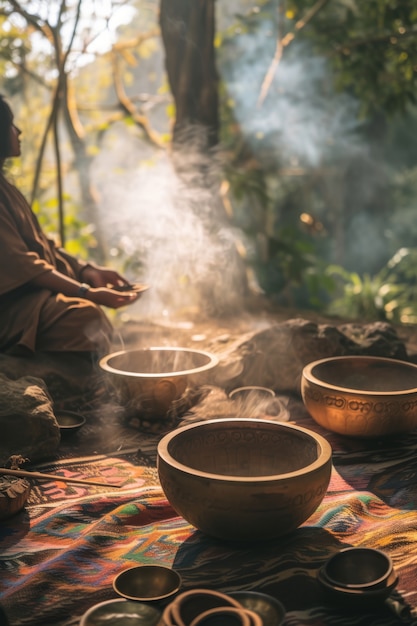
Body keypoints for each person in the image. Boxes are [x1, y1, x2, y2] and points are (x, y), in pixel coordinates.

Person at [0, 94, 141, 358]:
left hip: (33, 300)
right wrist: (88, 293)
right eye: (10, 125)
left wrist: (86, 269)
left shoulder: (7, 189)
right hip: (10, 310)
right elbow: (22, 264)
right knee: (87, 319)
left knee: (89, 318)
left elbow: (43, 244)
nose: (19, 132)